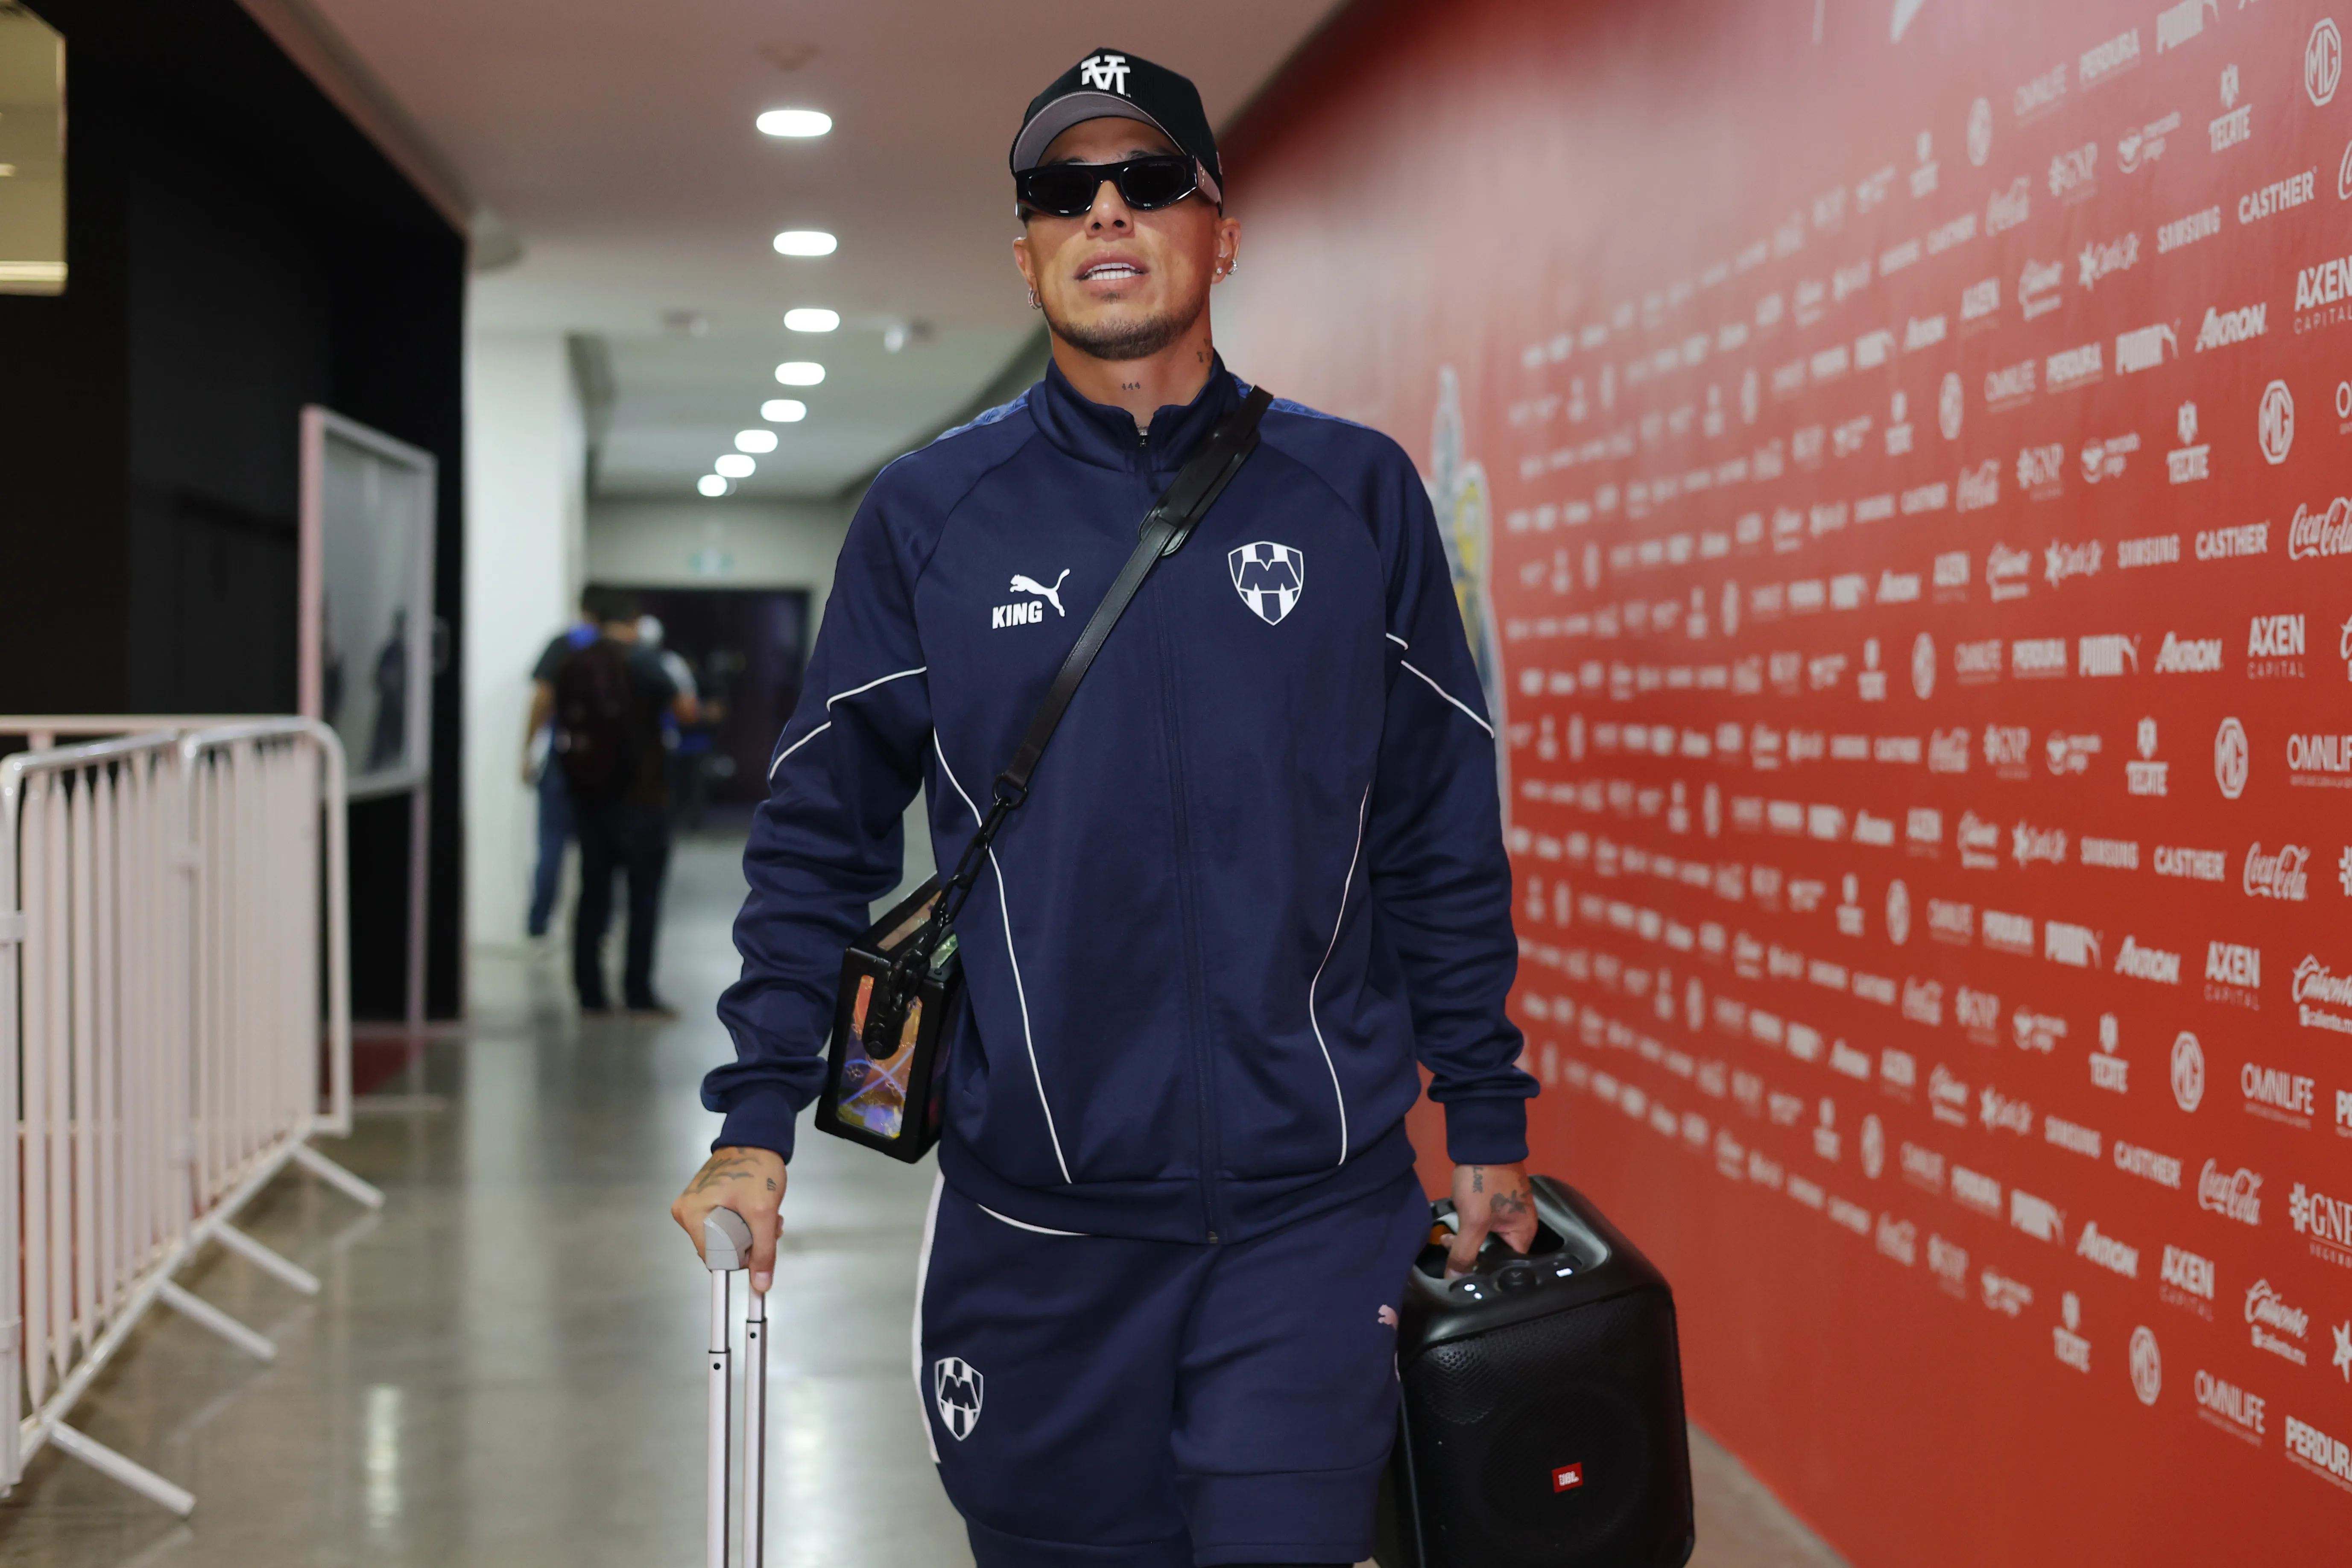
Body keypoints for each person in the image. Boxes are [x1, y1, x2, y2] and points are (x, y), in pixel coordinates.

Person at [673, 47, 1536, 1568]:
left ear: (1220, 227)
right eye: (1064, 192)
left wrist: (1484, 1107)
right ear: (1024, 251)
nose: (1107, 212)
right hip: (1036, 1236)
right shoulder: (927, 518)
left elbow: (1433, 828)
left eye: (1149, 180)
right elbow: (818, 833)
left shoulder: (1357, 500)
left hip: (1308, 1217)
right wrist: (756, 1119)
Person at [553, 585, 697, 1015]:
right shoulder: (646, 660)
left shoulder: (574, 662)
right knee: (643, 899)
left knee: (593, 895)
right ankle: (638, 991)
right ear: (634, 622)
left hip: (590, 798)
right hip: (642, 799)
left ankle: (589, 992)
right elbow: (687, 712)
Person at [523, 597, 599, 939]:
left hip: (562, 757)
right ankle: (596, 928)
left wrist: (526, 752)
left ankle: (539, 927)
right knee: (599, 852)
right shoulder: (619, 651)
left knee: (551, 846)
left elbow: (542, 698)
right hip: (604, 766)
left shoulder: (563, 645)